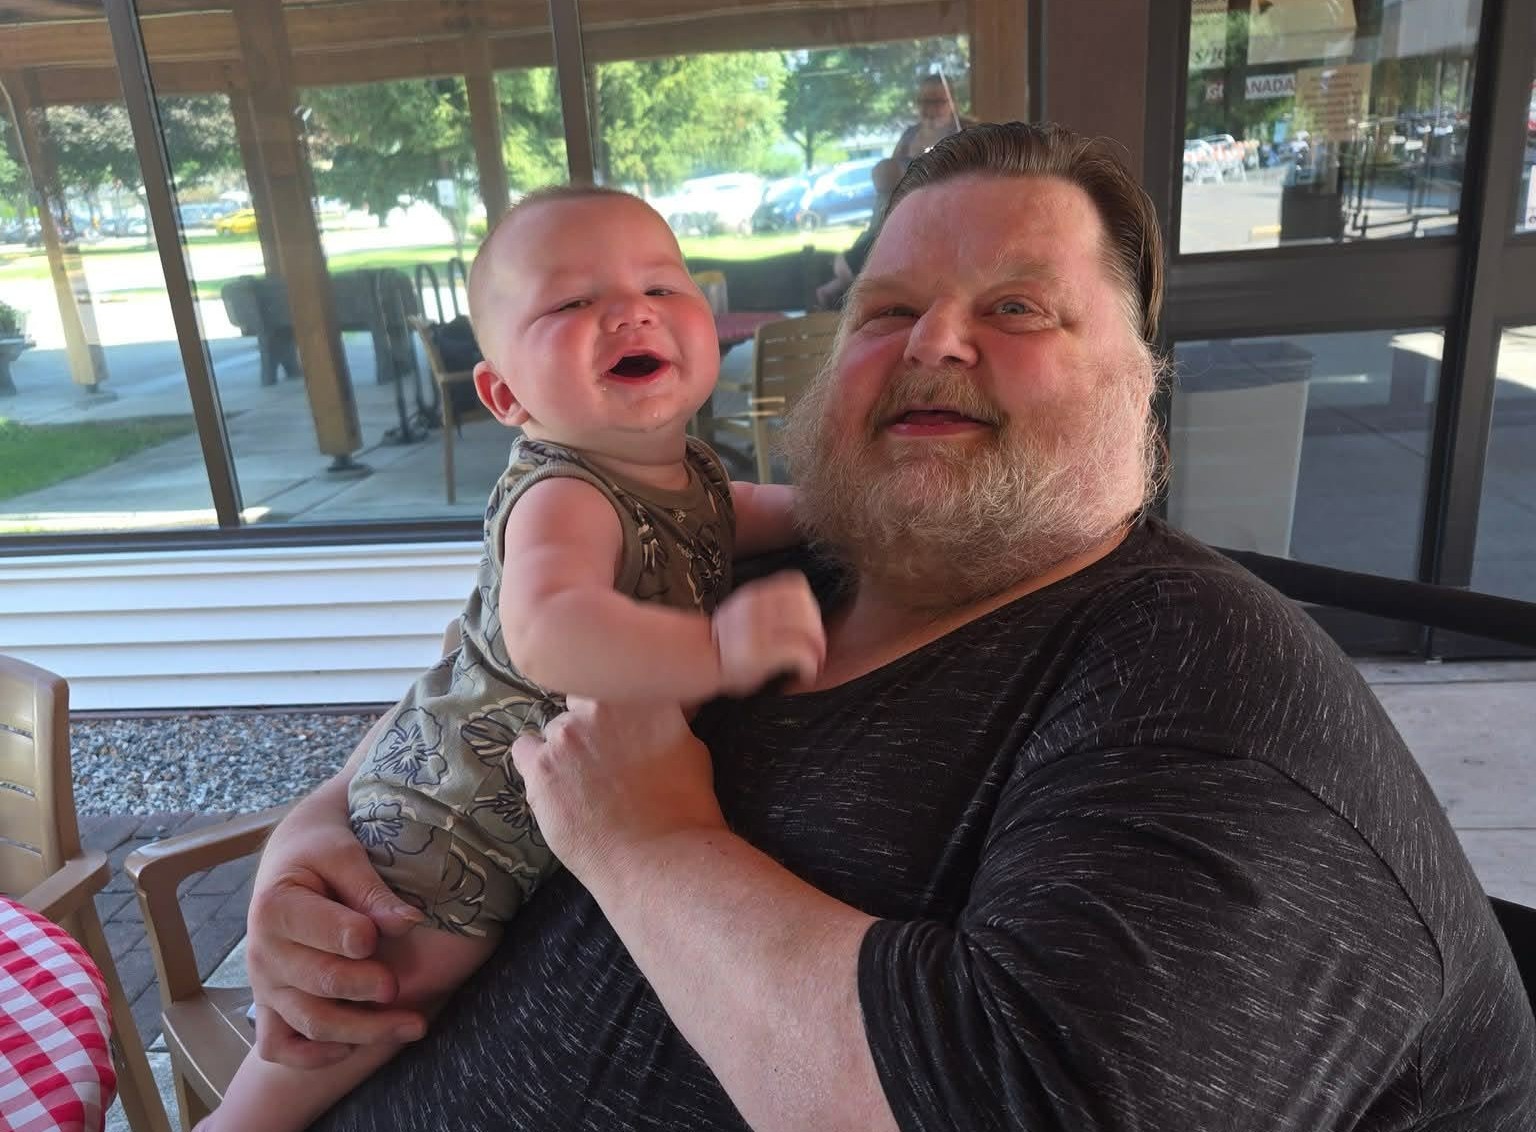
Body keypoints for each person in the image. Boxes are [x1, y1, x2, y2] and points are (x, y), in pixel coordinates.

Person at [244, 123, 1536, 1131]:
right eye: (884, 311)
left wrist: (651, 846)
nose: (937, 344)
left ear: (1139, 385)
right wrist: (307, 851)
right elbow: (480, 677)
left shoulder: (1203, 693)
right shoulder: (790, 556)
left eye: (1020, 307)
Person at [201, 186, 825, 1132]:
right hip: (454, 821)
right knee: (376, 1005)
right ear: (507, 396)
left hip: (512, 810)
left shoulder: (685, 467)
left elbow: (729, 516)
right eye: (572, 303)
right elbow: (550, 626)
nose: (631, 310)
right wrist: (719, 648)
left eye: (664, 282)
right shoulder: (563, 494)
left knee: (398, 1005)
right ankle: (241, 1122)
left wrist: (830, 515)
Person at [814, 157, 902, 311]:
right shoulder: (887, 198)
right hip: (871, 254)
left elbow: (879, 234)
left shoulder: (897, 199)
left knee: (841, 267)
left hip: (879, 254)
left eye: (879, 178)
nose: (876, 184)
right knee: (840, 269)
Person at [890, 73, 977, 167]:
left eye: (938, 101)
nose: (930, 108)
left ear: (953, 104)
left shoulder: (970, 132)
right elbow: (891, 171)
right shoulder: (908, 136)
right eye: (925, 101)